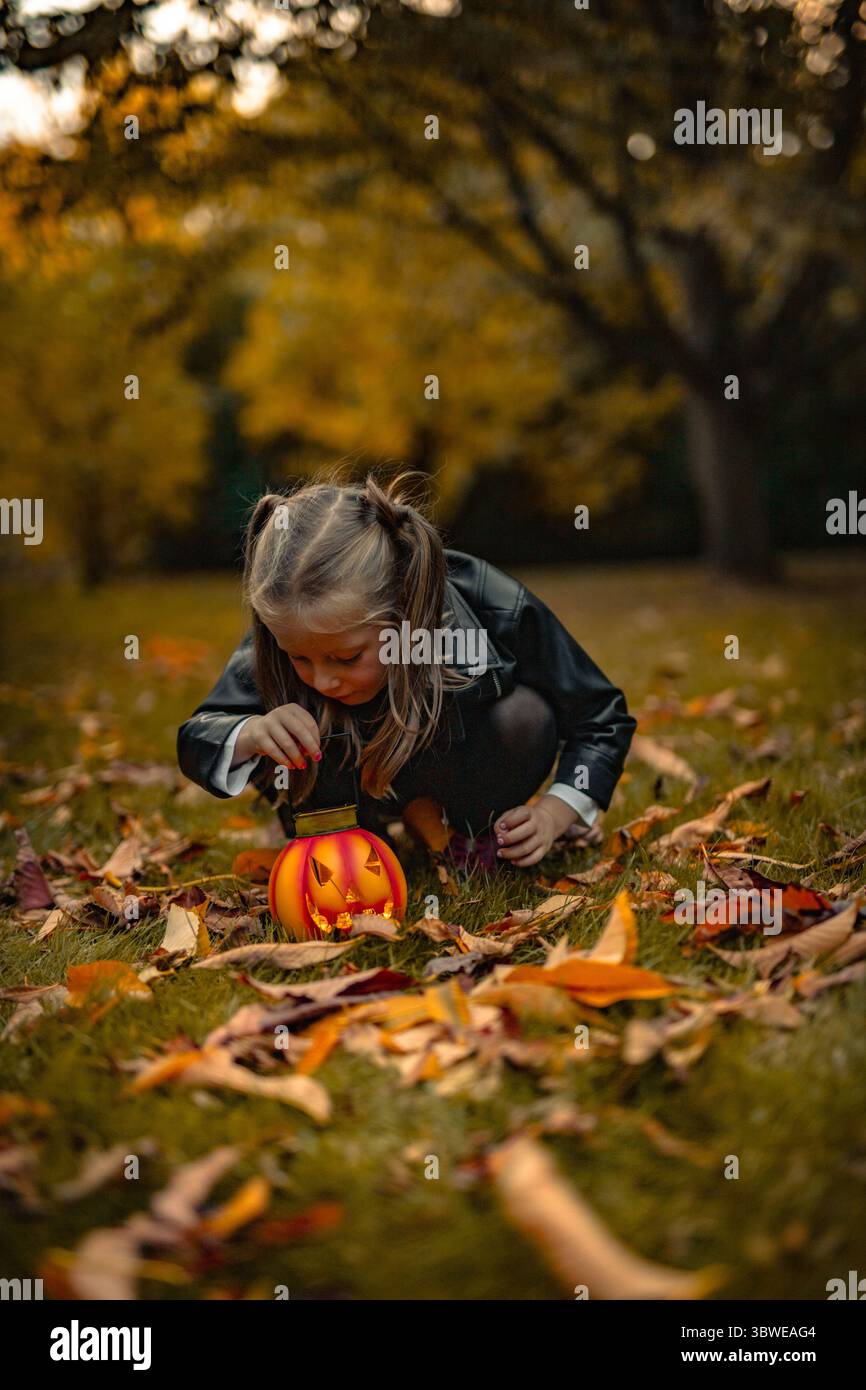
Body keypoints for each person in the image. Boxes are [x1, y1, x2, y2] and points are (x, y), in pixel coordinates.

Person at [176, 473, 636, 868]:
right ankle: (347, 835)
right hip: (338, 787)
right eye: (299, 658)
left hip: (456, 763)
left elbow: (599, 715)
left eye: (346, 657)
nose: (321, 680)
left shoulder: (490, 603)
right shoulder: (288, 628)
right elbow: (201, 734)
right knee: (270, 727)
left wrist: (557, 812)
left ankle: (466, 830)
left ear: (403, 613)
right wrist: (252, 733)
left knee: (525, 716)